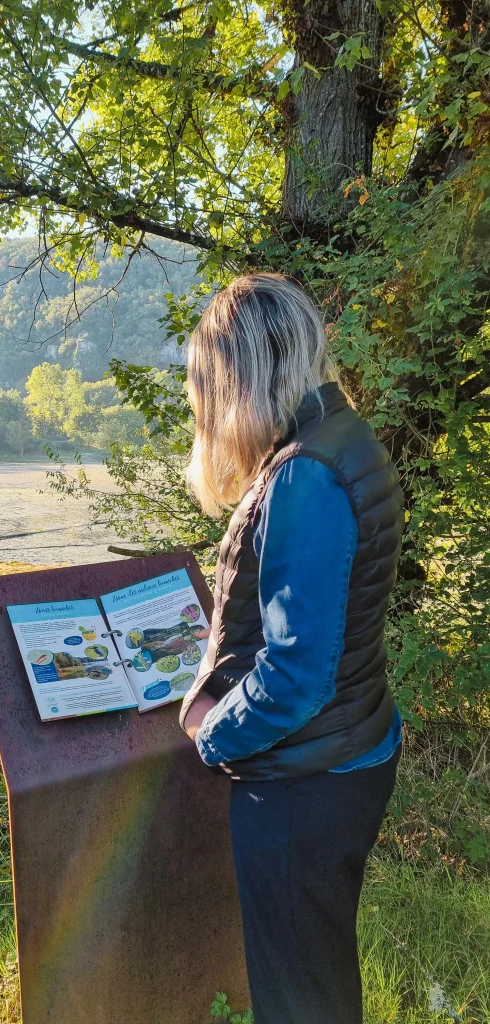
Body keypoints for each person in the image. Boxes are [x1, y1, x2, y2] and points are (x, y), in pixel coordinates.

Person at [178, 273, 403, 1024]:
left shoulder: (306, 474)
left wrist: (214, 732)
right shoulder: (342, 435)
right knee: (317, 968)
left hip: (306, 781)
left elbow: (297, 678)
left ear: (237, 376)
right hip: (351, 746)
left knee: (296, 995)